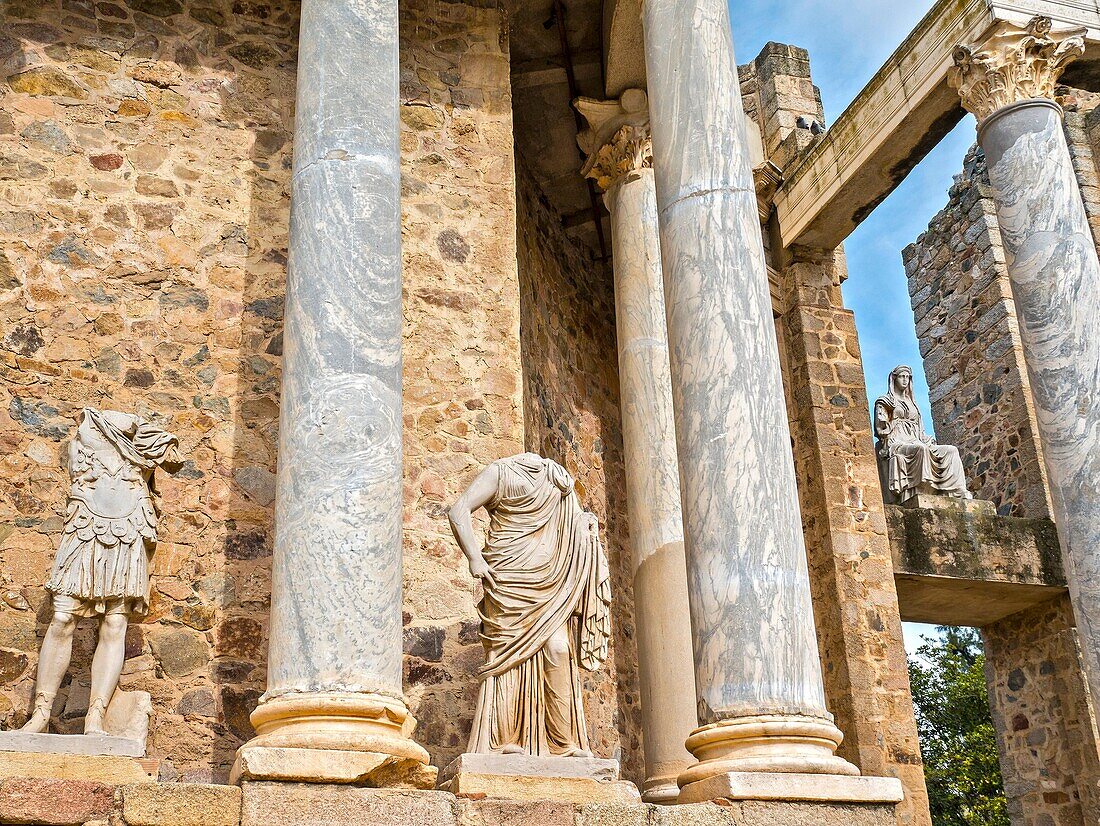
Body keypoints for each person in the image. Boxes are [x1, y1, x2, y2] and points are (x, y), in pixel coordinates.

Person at [22, 407, 180, 735]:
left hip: (130, 527)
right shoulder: (83, 442)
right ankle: (40, 713)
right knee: (63, 617)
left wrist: (149, 436)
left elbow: (175, 458)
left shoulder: (147, 444)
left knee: (115, 622)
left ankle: (96, 714)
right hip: (85, 527)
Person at [448, 453, 611, 757]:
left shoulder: (558, 478)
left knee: (559, 650)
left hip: (550, 580)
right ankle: (503, 741)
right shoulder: (499, 471)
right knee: (508, 656)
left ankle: (563, 743)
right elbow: (459, 510)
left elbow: (574, 523)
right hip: (507, 575)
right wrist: (474, 557)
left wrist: (586, 526)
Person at [874, 366, 971, 504]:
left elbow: (921, 431)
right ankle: (924, 489)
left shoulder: (913, 404)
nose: (905, 380)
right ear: (894, 379)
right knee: (921, 450)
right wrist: (888, 416)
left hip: (916, 439)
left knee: (951, 451)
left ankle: (956, 491)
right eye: (902, 377)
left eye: (908, 377)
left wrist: (927, 439)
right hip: (897, 442)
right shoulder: (884, 401)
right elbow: (881, 429)